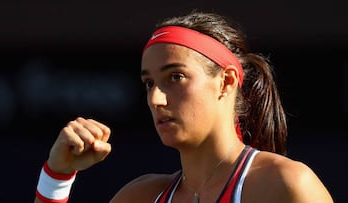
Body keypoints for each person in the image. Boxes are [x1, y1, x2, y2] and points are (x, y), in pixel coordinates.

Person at [34, 11, 334, 203]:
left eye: (175, 77)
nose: (156, 99)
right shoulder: (139, 197)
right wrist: (57, 176)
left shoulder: (286, 185)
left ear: (226, 82)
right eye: (149, 83)